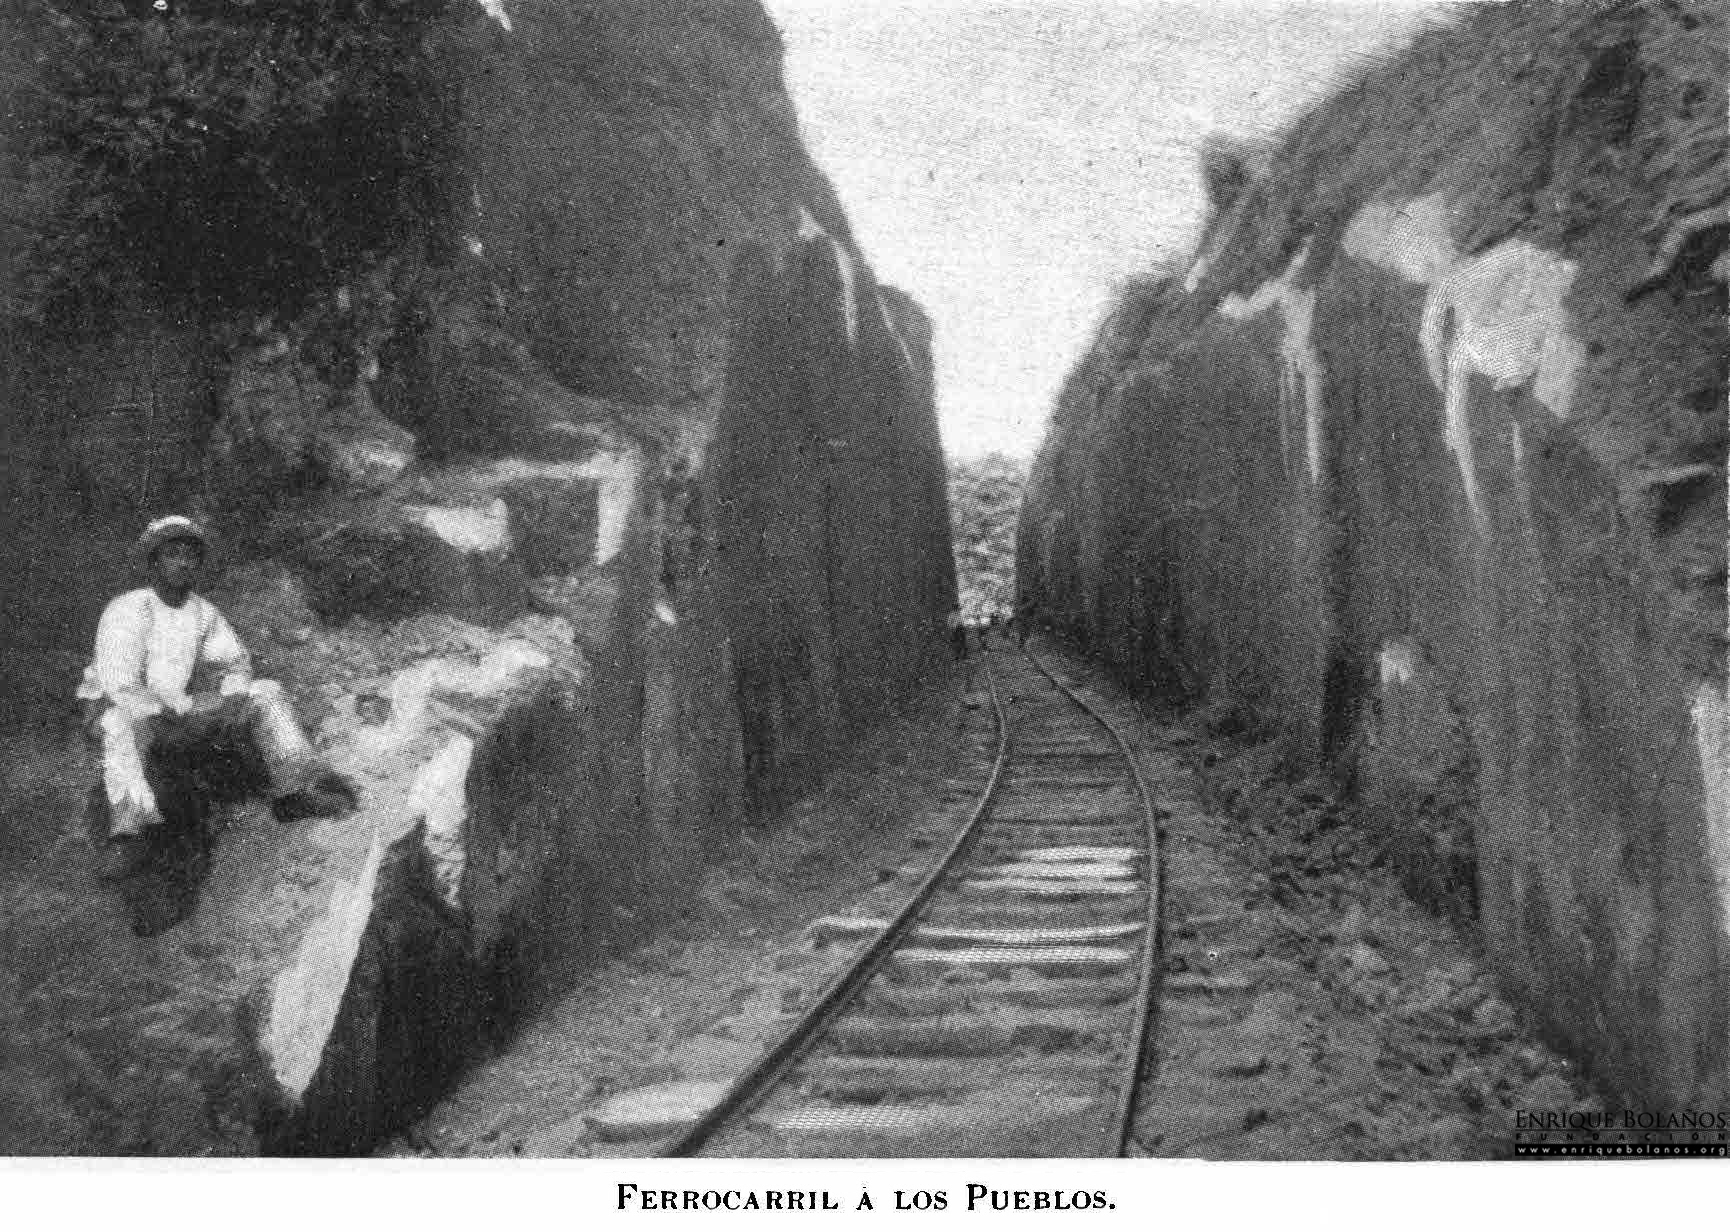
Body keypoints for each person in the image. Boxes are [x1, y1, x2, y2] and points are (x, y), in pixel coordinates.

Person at [79, 515, 356, 880]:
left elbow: (233, 663)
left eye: (190, 555)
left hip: (183, 712)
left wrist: (231, 692)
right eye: (173, 554)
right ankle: (129, 833)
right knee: (118, 723)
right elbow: (119, 683)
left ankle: (292, 793)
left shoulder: (204, 612)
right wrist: (165, 706)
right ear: (154, 562)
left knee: (266, 693)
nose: (183, 563)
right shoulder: (127, 609)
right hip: (133, 711)